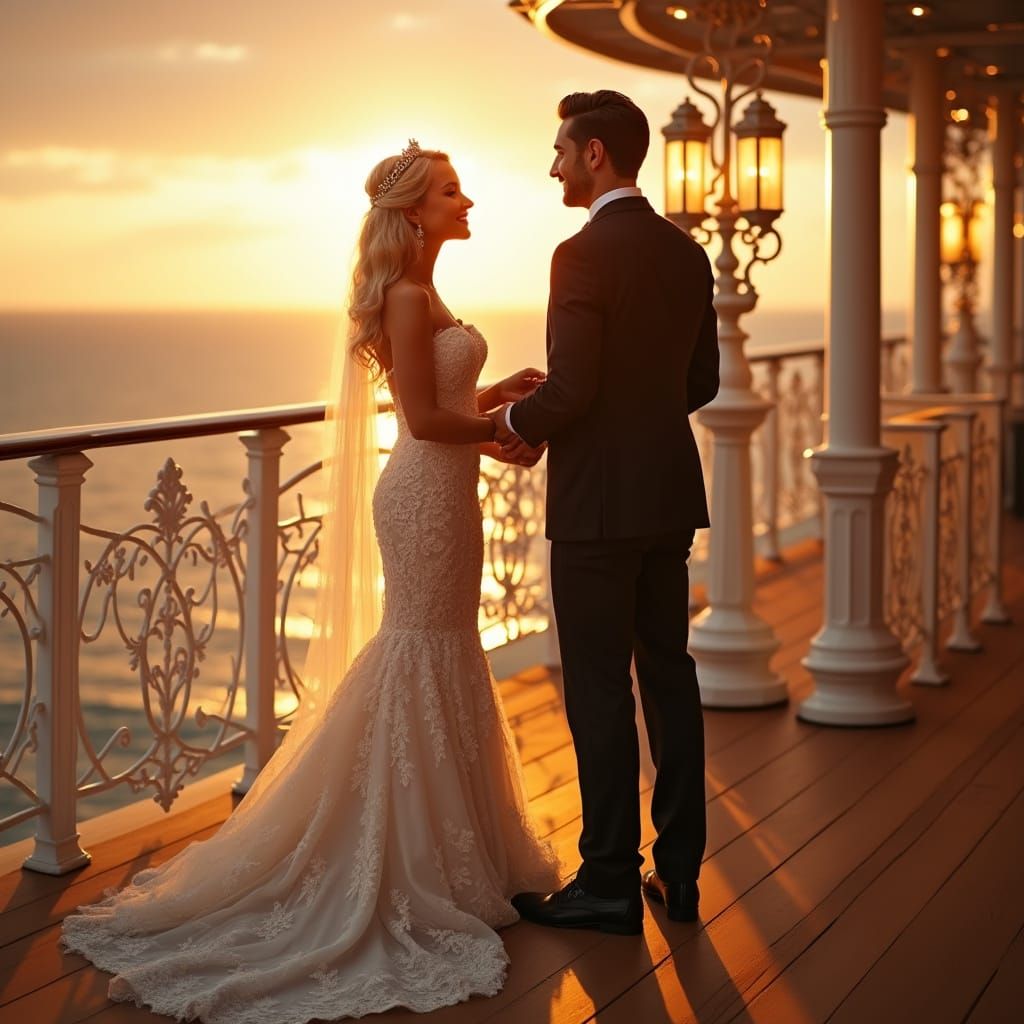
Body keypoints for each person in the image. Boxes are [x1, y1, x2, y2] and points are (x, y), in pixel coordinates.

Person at [61, 141, 562, 1024]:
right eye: (452, 191)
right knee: (417, 651)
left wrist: (496, 401)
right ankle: (387, 855)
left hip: (446, 495)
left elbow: (443, 405)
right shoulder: (408, 297)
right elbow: (417, 418)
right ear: (415, 214)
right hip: (422, 500)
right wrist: (506, 424)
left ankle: (450, 851)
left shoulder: (428, 293)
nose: (467, 199)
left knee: (440, 651)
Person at [488, 90, 720, 936]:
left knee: (595, 691)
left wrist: (508, 423)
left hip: (594, 510)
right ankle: (682, 877)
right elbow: (702, 384)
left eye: (560, 149)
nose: (551, 164)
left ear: (595, 155)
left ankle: (610, 884)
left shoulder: (578, 256)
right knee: (670, 676)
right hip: (666, 497)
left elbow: (576, 389)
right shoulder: (686, 253)